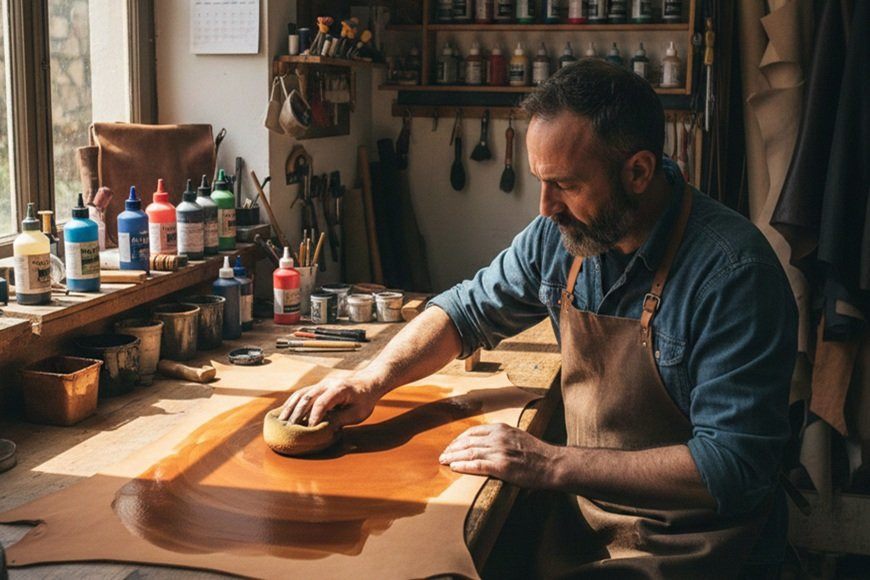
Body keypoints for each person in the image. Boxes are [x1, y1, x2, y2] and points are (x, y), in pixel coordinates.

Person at [280, 59, 798, 578]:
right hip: (584, 518)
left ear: (638, 172)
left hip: (697, 544)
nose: (546, 206)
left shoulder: (733, 276)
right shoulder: (560, 236)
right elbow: (464, 311)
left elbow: (732, 468)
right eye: (539, 181)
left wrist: (550, 462)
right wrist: (373, 379)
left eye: (566, 185)